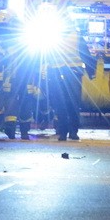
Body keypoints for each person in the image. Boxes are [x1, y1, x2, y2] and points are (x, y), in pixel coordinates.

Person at [43, 11, 96, 141]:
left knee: (60, 104)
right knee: (73, 103)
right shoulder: (76, 36)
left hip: (56, 73)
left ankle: (62, 132)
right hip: (74, 73)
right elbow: (86, 54)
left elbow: (45, 56)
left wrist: (43, 73)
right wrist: (91, 72)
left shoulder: (52, 37)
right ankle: (73, 132)